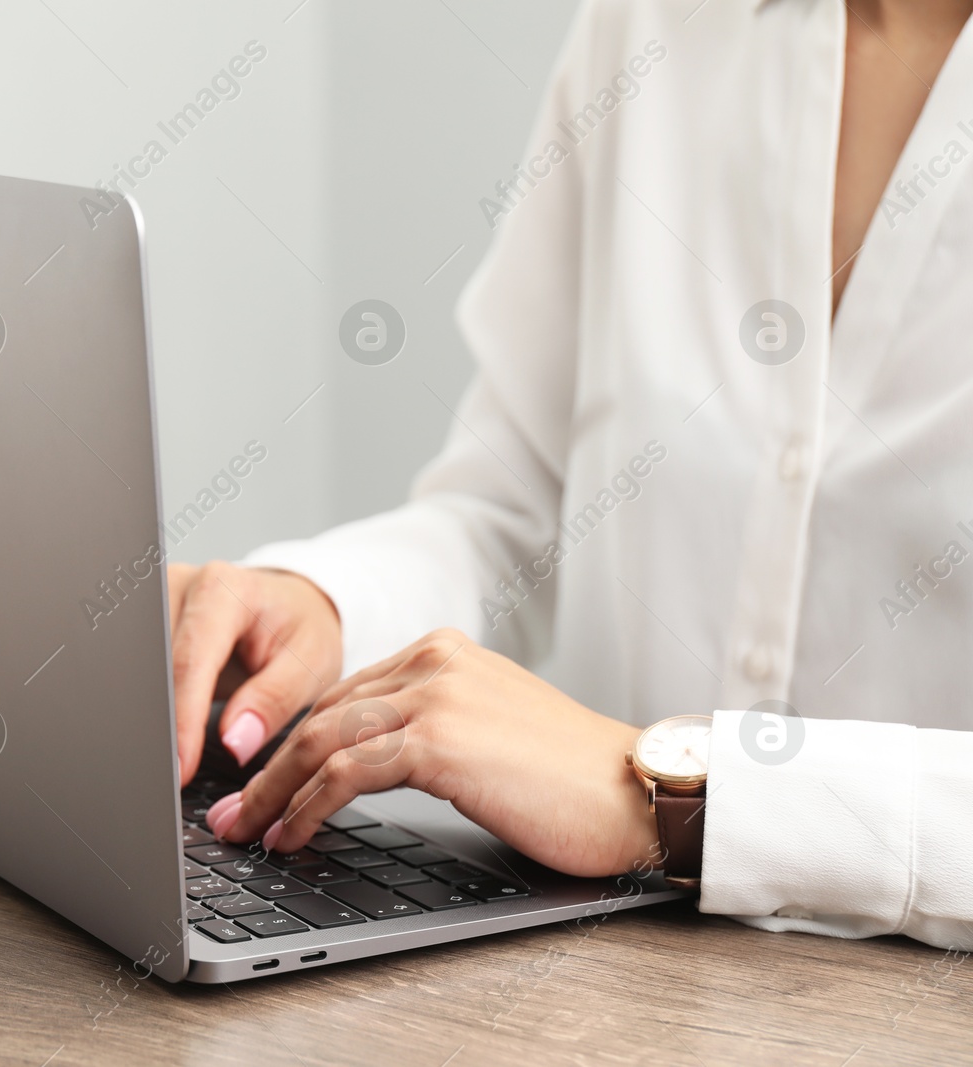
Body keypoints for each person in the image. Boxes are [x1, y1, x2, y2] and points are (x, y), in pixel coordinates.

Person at [168, 0, 973, 950]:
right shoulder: (646, 25)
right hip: (605, 986)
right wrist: (321, 606)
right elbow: (509, 509)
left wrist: (662, 795)